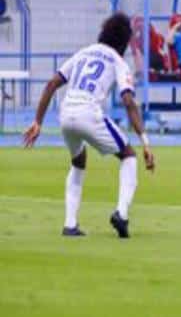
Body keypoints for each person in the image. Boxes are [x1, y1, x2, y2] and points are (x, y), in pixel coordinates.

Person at [22, 13, 155, 238]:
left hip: (66, 115)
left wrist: (38, 122)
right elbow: (128, 101)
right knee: (129, 155)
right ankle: (121, 215)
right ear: (123, 41)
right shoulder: (117, 61)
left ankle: (70, 224)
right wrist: (146, 142)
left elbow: (53, 83)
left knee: (78, 161)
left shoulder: (83, 52)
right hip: (88, 113)